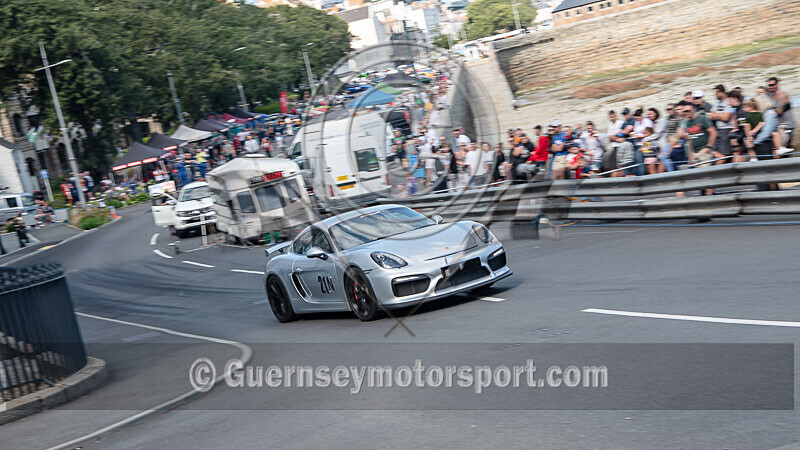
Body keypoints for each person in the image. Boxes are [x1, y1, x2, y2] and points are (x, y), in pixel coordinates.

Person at [679, 101, 717, 168]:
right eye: (685, 111)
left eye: (688, 111)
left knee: (704, 171)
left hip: (703, 151)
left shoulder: (702, 118)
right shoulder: (687, 122)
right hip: (694, 153)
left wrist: (709, 147)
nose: (687, 113)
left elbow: (713, 132)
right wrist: (690, 155)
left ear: (693, 110)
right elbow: (689, 140)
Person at [767, 77, 795, 155]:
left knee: (782, 148)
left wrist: (770, 111)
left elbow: (779, 111)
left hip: (787, 125)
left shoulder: (782, 95)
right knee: (778, 148)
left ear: (777, 84)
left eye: (772, 85)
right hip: (779, 125)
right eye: (769, 85)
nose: (770, 87)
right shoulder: (771, 96)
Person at [709, 84, 735, 164]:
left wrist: (717, 115)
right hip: (718, 130)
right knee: (713, 152)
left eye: (717, 93)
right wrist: (721, 115)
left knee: (723, 155)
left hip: (727, 129)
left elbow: (726, 118)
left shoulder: (728, 102)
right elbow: (711, 115)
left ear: (722, 93)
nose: (715, 95)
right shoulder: (717, 103)